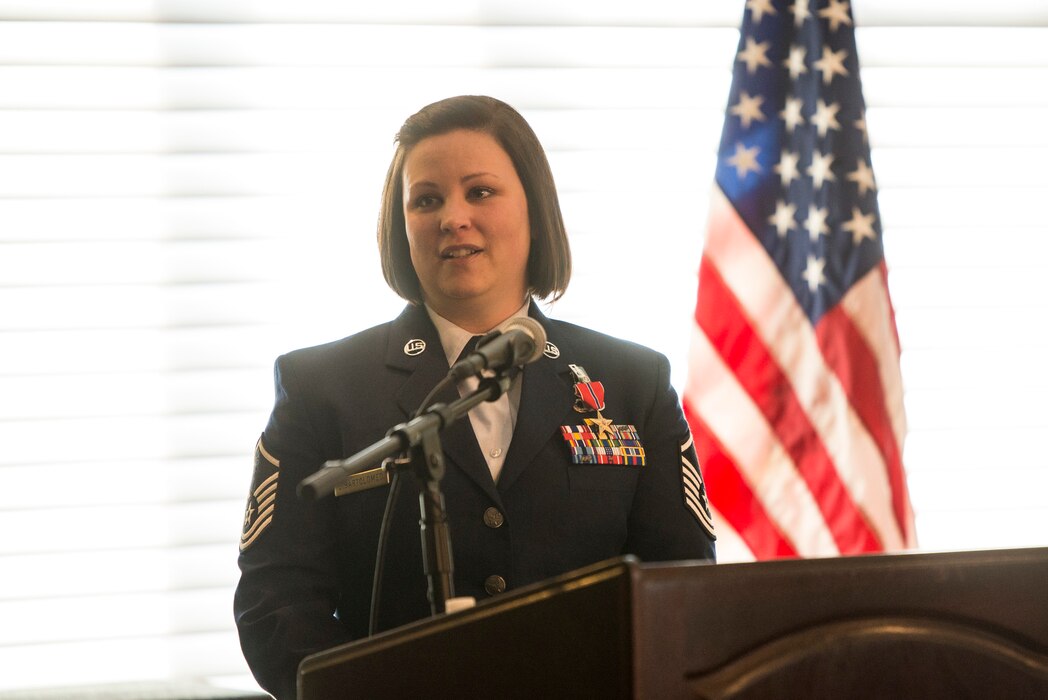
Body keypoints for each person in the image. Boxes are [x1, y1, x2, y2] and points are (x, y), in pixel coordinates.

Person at [234, 95, 716, 699]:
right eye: (427, 199)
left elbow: (684, 587)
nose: (452, 217)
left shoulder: (631, 382)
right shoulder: (322, 387)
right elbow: (275, 602)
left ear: (533, 209)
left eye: (480, 192)